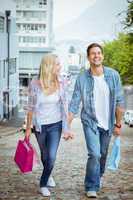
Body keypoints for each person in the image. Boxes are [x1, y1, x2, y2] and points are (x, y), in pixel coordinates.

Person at [68, 43, 125, 198]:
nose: (96, 56)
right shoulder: (82, 78)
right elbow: (74, 102)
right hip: (90, 122)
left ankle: (98, 176)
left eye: (99, 53)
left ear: (103, 56)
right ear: (88, 57)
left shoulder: (113, 75)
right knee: (94, 154)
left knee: (103, 154)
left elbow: (120, 102)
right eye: (93, 53)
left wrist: (118, 124)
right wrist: (67, 125)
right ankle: (91, 186)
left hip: (108, 123)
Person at [25, 54, 73, 197]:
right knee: (45, 156)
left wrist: (67, 128)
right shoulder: (35, 83)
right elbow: (30, 107)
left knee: (51, 156)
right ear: (49, 66)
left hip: (55, 125)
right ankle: (49, 173)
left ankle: (43, 183)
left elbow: (65, 105)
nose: (60, 67)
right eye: (57, 64)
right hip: (40, 126)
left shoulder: (62, 82)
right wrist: (28, 128)